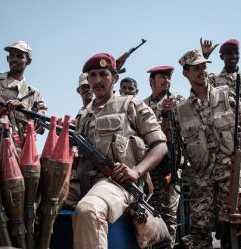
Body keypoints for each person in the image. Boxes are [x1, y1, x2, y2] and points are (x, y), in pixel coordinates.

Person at [66, 53, 168, 249]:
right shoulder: (83, 115)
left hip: (118, 182)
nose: (97, 80)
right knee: (41, 203)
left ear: (115, 78)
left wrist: (136, 171)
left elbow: (160, 145)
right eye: (92, 75)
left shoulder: (132, 104)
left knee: (88, 210)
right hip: (82, 182)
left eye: (103, 74)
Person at [175, 49, 241, 249]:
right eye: (196, 68)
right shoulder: (181, 109)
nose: (202, 71)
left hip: (231, 170)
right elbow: (176, 142)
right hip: (202, 176)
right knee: (199, 226)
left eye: (203, 67)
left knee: (233, 223)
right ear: (186, 73)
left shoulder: (224, 93)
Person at [143, 66, 184, 248]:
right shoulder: (141, 105)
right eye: (162, 77)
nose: (166, 81)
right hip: (150, 167)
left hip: (170, 166)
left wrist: (174, 115)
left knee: (169, 215)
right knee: (150, 210)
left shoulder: (177, 101)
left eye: (168, 78)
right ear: (152, 81)